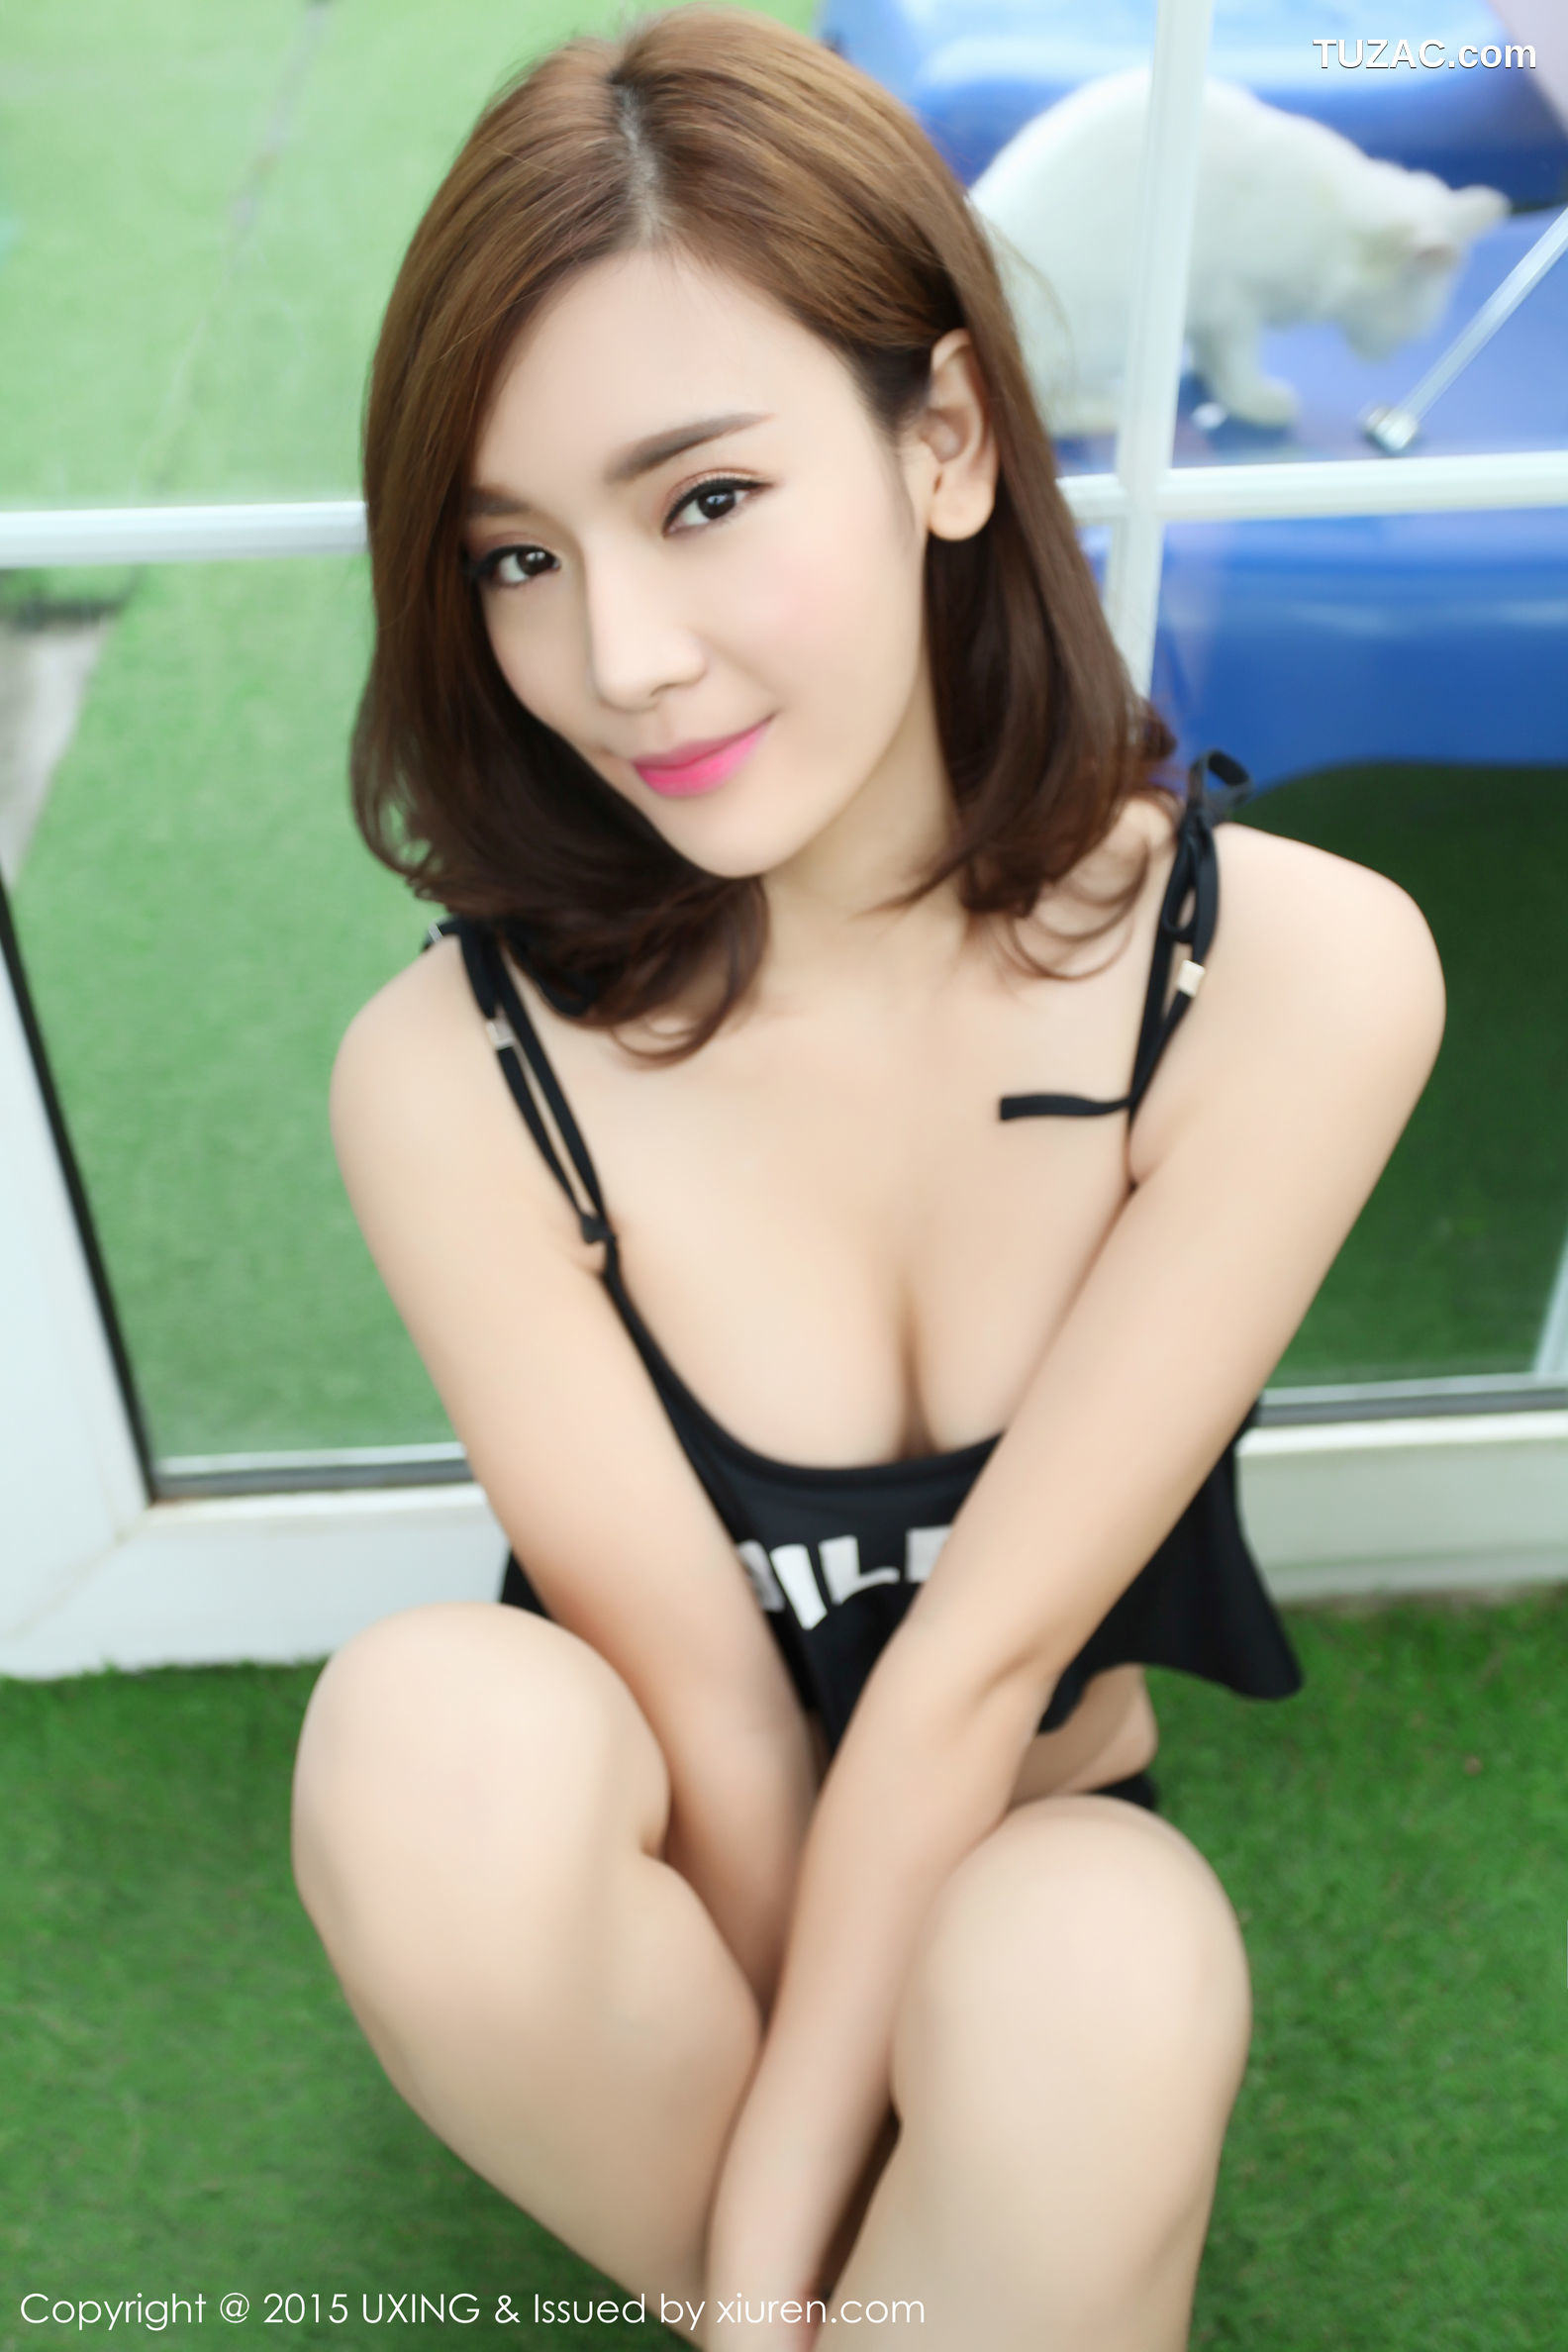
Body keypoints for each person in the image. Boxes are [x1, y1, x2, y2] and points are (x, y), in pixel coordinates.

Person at [289, 11, 1445, 2347]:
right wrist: (767, 2267)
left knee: (1098, 1963)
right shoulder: (451, 1074)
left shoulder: (1293, 978)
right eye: (518, 555)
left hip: (1027, 1873)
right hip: (691, 1917)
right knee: (427, 1747)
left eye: (706, 500)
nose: (621, 658)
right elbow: (713, 1714)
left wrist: (778, 2268)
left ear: (945, 441)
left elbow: (971, 1680)